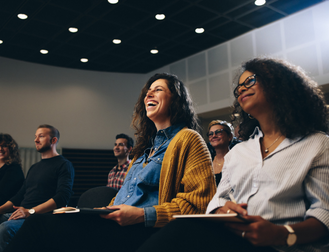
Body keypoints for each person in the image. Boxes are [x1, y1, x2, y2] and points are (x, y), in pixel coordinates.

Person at [3, 73, 216, 252]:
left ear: (176, 99)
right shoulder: (143, 150)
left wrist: (142, 215)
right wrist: (102, 209)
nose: (149, 93)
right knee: (45, 224)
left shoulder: (189, 139)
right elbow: (127, 196)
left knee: (38, 226)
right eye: (148, 90)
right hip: (115, 223)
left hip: (144, 230)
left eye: (158, 89)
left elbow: (200, 205)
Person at [136, 57, 329, 252]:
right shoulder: (239, 152)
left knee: (182, 230)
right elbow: (218, 199)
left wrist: (281, 233)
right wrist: (222, 209)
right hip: (236, 239)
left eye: (250, 81)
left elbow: (324, 212)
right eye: (239, 88)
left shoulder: (317, 144)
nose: (242, 89)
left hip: (284, 246)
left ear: (279, 84)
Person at [0, 125, 75, 252]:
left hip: (41, 217)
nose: (36, 140)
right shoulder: (34, 167)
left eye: (41, 136)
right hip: (19, 215)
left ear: (53, 140)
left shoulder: (64, 165)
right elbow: (18, 197)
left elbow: (62, 197)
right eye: (35, 137)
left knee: (5, 228)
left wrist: (30, 211)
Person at [206, 120, 234, 185]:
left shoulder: (237, 158)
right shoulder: (207, 162)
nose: (214, 136)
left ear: (229, 136)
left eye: (218, 132)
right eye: (210, 134)